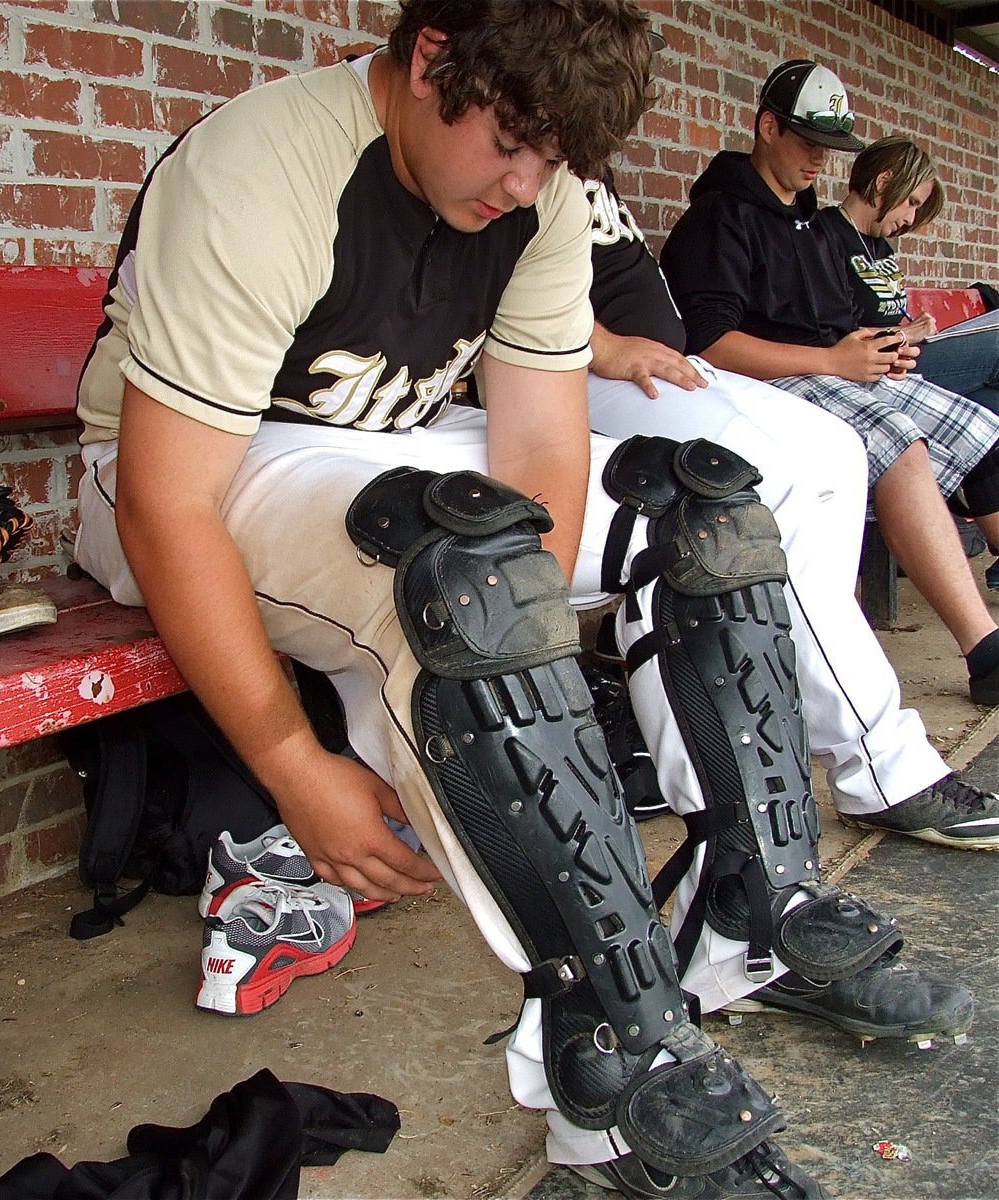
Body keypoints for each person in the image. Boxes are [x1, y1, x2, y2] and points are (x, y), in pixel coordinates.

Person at [72, 10, 968, 1197]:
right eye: (511, 142)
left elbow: (539, 447)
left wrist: (517, 655)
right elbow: (165, 506)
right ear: (431, 58)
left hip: (381, 451)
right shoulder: (266, 162)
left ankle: (737, 915)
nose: (527, 181)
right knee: (468, 566)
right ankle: (618, 1094)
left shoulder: (535, 195)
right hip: (189, 467)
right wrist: (295, 763)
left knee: (698, 518)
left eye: (556, 160)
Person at [583, 170, 999, 859]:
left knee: (838, 448)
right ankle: (881, 766)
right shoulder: (518, 146)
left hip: (663, 362)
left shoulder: (583, 157)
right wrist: (600, 342)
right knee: (779, 475)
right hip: (597, 370)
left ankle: (804, 691)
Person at [658, 59, 999, 708]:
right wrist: (836, 362)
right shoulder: (719, 218)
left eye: (830, 147)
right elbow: (709, 344)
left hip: (829, 377)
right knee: (899, 442)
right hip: (760, 387)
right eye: (808, 142)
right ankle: (983, 650)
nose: (820, 160)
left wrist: (881, 352)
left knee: (978, 429)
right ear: (765, 127)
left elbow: (841, 330)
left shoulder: (808, 224)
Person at [820, 134, 999, 588]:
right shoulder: (826, 236)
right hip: (875, 372)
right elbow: (834, 332)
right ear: (883, 183)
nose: (910, 218)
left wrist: (910, 328)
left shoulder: (881, 246)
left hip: (907, 358)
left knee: (989, 409)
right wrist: (905, 333)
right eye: (912, 203)